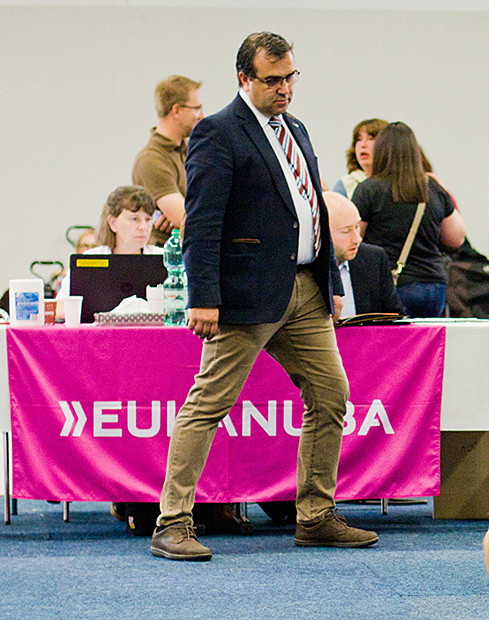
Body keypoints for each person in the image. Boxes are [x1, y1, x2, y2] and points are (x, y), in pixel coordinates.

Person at [149, 31, 378, 561]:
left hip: (306, 290)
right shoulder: (217, 132)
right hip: (243, 295)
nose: (284, 89)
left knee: (331, 396)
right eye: (272, 80)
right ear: (244, 79)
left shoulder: (296, 128)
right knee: (209, 403)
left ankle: (316, 516)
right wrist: (203, 297)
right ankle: (172, 523)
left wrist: (331, 284)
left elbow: (314, 211)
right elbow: (202, 223)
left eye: (289, 78)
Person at [352, 121, 466, 318]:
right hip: (433, 286)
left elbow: (354, 237)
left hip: (390, 284)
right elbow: (456, 238)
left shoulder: (368, 189)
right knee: (424, 347)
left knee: (394, 346)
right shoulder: (433, 188)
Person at [131, 75, 203, 246]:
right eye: (197, 108)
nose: (202, 115)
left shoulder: (191, 150)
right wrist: (181, 219)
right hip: (167, 262)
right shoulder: (152, 160)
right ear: (176, 110)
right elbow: (190, 221)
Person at [56, 186, 162, 299]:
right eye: (134, 219)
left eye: (148, 219)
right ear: (113, 223)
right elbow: (61, 306)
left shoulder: (166, 259)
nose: (143, 227)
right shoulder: (89, 260)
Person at [323, 191, 404, 316]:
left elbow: (394, 317)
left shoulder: (373, 259)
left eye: (357, 227)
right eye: (346, 231)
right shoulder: (304, 268)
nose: (357, 239)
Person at [332, 118, 388, 197]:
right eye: (358, 140)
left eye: (371, 139)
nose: (363, 145)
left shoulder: (399, 184)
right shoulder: (347, 184)